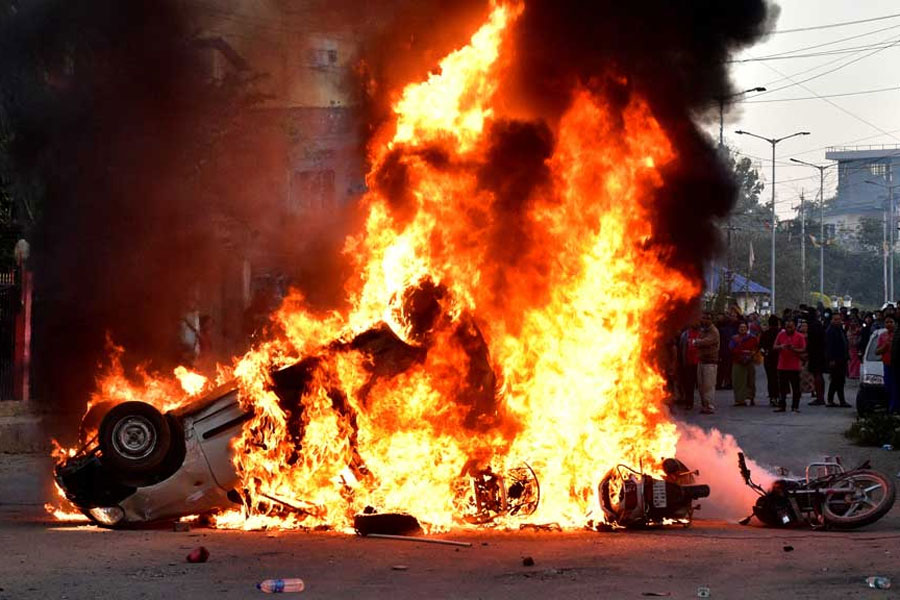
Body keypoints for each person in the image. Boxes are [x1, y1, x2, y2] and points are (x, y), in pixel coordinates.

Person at [774, 319, 806, 413]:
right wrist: (781, 346)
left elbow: (803, 349)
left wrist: (794, 349)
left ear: (795, 327)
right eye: (787, 327)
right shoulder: (781, 335)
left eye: (791, 327)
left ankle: (795, 406)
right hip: (782, 366)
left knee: (796, 388)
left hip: (795, 367)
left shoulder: (799, 336)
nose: (789, 329)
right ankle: (782, 406)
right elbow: (774, 346)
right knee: (782, 388)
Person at [693, 312, 720, 414]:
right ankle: (704, 405)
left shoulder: (714, 331)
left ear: (710, 320)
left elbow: (707, 341)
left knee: (708, 385)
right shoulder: (703, 331)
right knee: (701, 385)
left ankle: (709, 405)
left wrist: (697, 342)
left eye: (706, 318)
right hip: (702, 360)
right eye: (702, 318)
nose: (703, 320)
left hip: (710, 362)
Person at [824, 312, 850, 407]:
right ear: (831, 320)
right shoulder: (830, 331)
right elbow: (829, 347)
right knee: (836, 380)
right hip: (835, 360)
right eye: (835, 319)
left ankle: (840, 400)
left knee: (839, 381)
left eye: (839, 319)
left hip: (842, 359)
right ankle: (833, 400)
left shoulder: (839, 329)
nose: (837, 321)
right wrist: (831, 360)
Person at [729, 321, 758, 406]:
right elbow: (731, 349)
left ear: (747, 328)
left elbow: (756, 348)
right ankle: (740, 400)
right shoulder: (734, 338)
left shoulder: (752, 338)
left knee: (750, 380)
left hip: (749, 361)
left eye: (744, 327)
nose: (742, 329)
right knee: (738, 381)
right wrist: (740, 357)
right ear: (738, 329)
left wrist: (750, 356)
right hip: (738, 361)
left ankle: (751, 397)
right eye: (741, 327)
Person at [804, 309, 827, 405]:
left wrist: (807, 352)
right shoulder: (818, 324)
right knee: (819, 375)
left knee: (817, 374)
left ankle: (819, 397)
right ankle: (820, 396)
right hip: (820, 352)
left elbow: (812, 341)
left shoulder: (813, 326)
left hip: (815, 353)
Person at [678, 322, 701, 410]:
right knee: (689, 384)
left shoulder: (701, 334)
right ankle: (689, 402)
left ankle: (705, 404)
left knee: (701, 385)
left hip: (699, 363)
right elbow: (681, 347)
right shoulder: (685, 334)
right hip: (688, 362)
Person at [759, 315, 781, 406]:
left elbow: (760, 346)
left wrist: (765, 353)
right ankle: (779, 396)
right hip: (779, 358)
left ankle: (772, 397)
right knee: (779, 378)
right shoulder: (780, 333)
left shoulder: (765, 333)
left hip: (768, 358)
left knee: (771, 378)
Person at [885, 316, 900, 414]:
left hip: (895, 364)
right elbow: (877, 351)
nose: (889, 324)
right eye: (887, 322)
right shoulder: (882, 336)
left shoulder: (897, 333)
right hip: (888, 364)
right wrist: (885, 346)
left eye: (891, 322)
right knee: (891, 388)